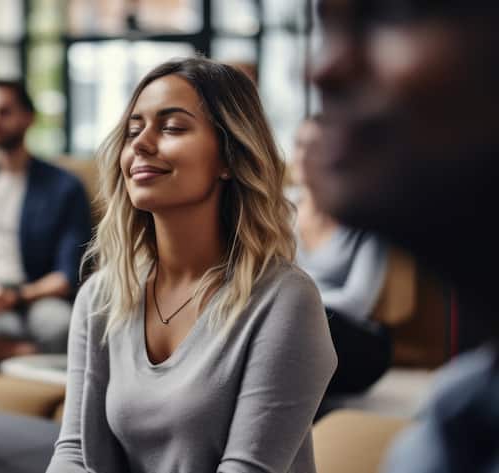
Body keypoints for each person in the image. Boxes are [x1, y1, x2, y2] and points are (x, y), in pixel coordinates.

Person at [47, 57, 336, 473]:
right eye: (133, 130)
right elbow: (73, 452)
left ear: (228, 158)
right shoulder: (103, 294)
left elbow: (246, 468)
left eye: (172, 128)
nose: (141, 144)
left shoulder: (285, 300)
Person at [310, 1, 499, 471]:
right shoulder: (453, 423)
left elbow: (360, 298)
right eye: (324, 27)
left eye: (394, 12)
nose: (322, 69)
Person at [0, 79, 92, 360]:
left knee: (62, 327)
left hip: (39, 295)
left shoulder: (64, 187)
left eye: (4, 112)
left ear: (28, 118)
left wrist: (19, 296)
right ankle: (26, 354)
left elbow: (67, 274)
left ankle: (10, 353)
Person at [292, 115, 391, 395]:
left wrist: (290, 299)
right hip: (291, 326)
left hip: (355, 339)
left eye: (316, 146)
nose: (303, 156)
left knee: (301, 323)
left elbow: (358, 302)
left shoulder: (367, 220)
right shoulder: (276, 213)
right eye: (299, 145)